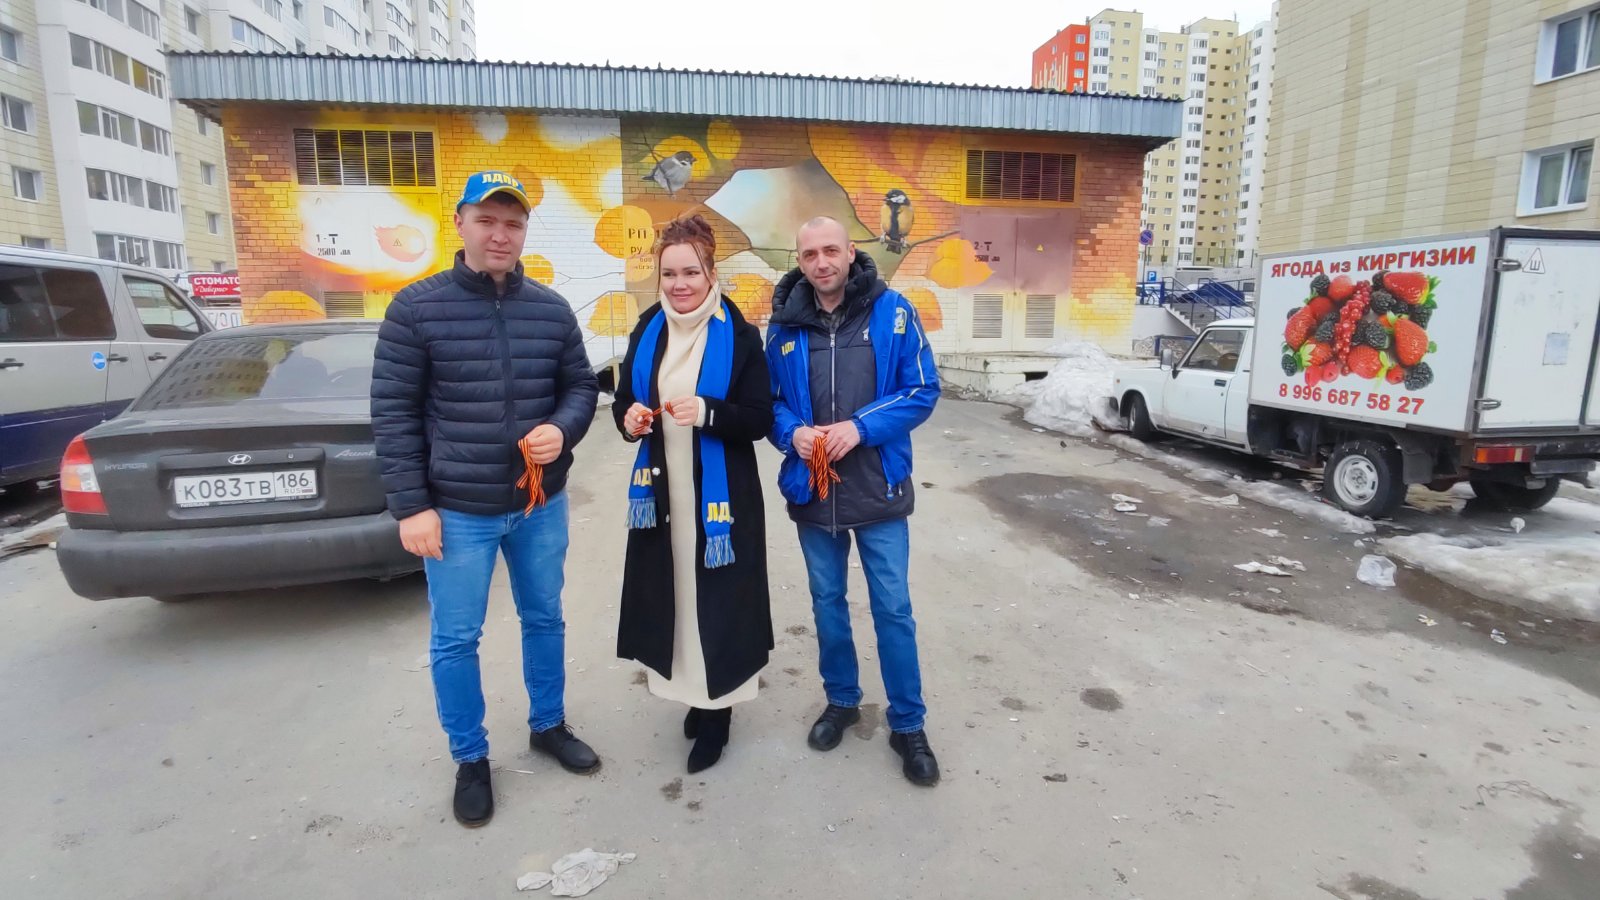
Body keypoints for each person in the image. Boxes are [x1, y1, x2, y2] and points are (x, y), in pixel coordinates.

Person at [371, 171, 601, 828]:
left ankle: (548, 725)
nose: (501, 235)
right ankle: (470, 759)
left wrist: (563, 428)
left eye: (513, 223)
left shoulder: (551, 309)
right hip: (457, 511)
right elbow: (393, 413)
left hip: (538, 505)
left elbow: (581, 387)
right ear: (460, 223)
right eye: (487, 220)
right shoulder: (415, 309)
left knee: (545, 618)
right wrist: (412, 506)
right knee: (455, 638)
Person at [765, 216, 942, 786]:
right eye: (809, 253)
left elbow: (922, 389)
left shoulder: (894, 313)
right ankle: (841, 700)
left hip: (878, 489)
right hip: (815, 493)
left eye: (830, 251)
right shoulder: (785, 325)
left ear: (850, 253)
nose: (821, 262)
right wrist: (793, 433)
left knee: (893, 608)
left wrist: (860, 428)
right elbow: (769, 401)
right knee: (827, 603)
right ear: (799, 260)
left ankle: (908, 724)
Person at [613, 215, 774, 773]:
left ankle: (718, 713)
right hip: (663, 496)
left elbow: (758, 418)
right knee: (677, 597)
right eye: (670, 273)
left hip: (720, 499)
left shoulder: (740, 334)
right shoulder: (648, 328)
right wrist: (630, 418)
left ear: (711, 272)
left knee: (721, 602)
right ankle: (693, 694)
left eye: (691, 272)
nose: (679, 284)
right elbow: (623, 400)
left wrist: (707, 411)